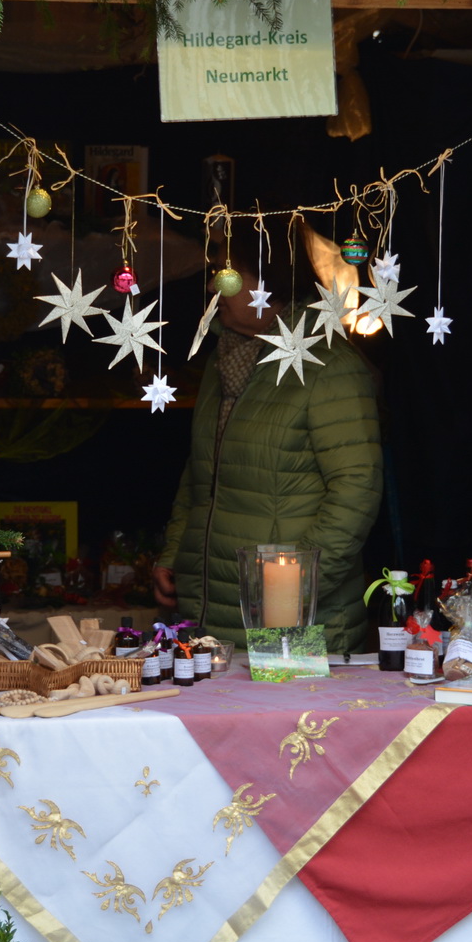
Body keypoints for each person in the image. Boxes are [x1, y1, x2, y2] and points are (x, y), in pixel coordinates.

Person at [156, 243, 383, 654]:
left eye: (229, 275)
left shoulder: (329, 366)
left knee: (289, 700)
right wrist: (175, 554)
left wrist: (293, 588)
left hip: (295, 621)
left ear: (273, 284)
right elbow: (201, 472)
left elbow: (357, 489)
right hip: (209, 613)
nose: (213, 286)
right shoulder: (222, 362)